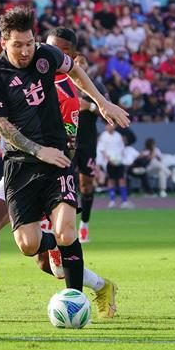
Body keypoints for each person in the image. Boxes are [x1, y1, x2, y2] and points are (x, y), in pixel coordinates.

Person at [0, 7, 129, 318]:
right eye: (18, 45)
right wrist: (37, 150)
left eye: (29, 43)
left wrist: (101, 102)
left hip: (57, 160)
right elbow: (0, 125)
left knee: (67, 232)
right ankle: (92, 277)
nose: (26, 51)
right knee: (28, 245)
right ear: (4, 42)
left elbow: (76, 71)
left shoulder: (46, 56)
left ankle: (75, 303)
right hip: (21, 164)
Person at [74, 55, 105, 243]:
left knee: (86, 184)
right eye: (76, 64)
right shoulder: (59, 82)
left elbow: (106, 112)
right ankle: (56, 226)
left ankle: (84, 225)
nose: (79, 67)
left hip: (87, 143)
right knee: (60, 184)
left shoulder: (95, 87)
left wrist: (90, 105)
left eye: (82, 65)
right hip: (64, 142)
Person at [98, 123, 134, 209]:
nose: (110, 127)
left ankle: (124, 201)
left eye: (111, 125)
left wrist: (119, 159)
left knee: (122, 180)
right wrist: (109, 159)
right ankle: (112, 201)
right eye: (108, 125)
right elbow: (102, 150)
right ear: (105, 126)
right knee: (111, 181)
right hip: (109, 163)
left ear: (114, 126)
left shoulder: (118, 136)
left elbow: (122, 149)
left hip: (119, 162)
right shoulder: (103, 136)